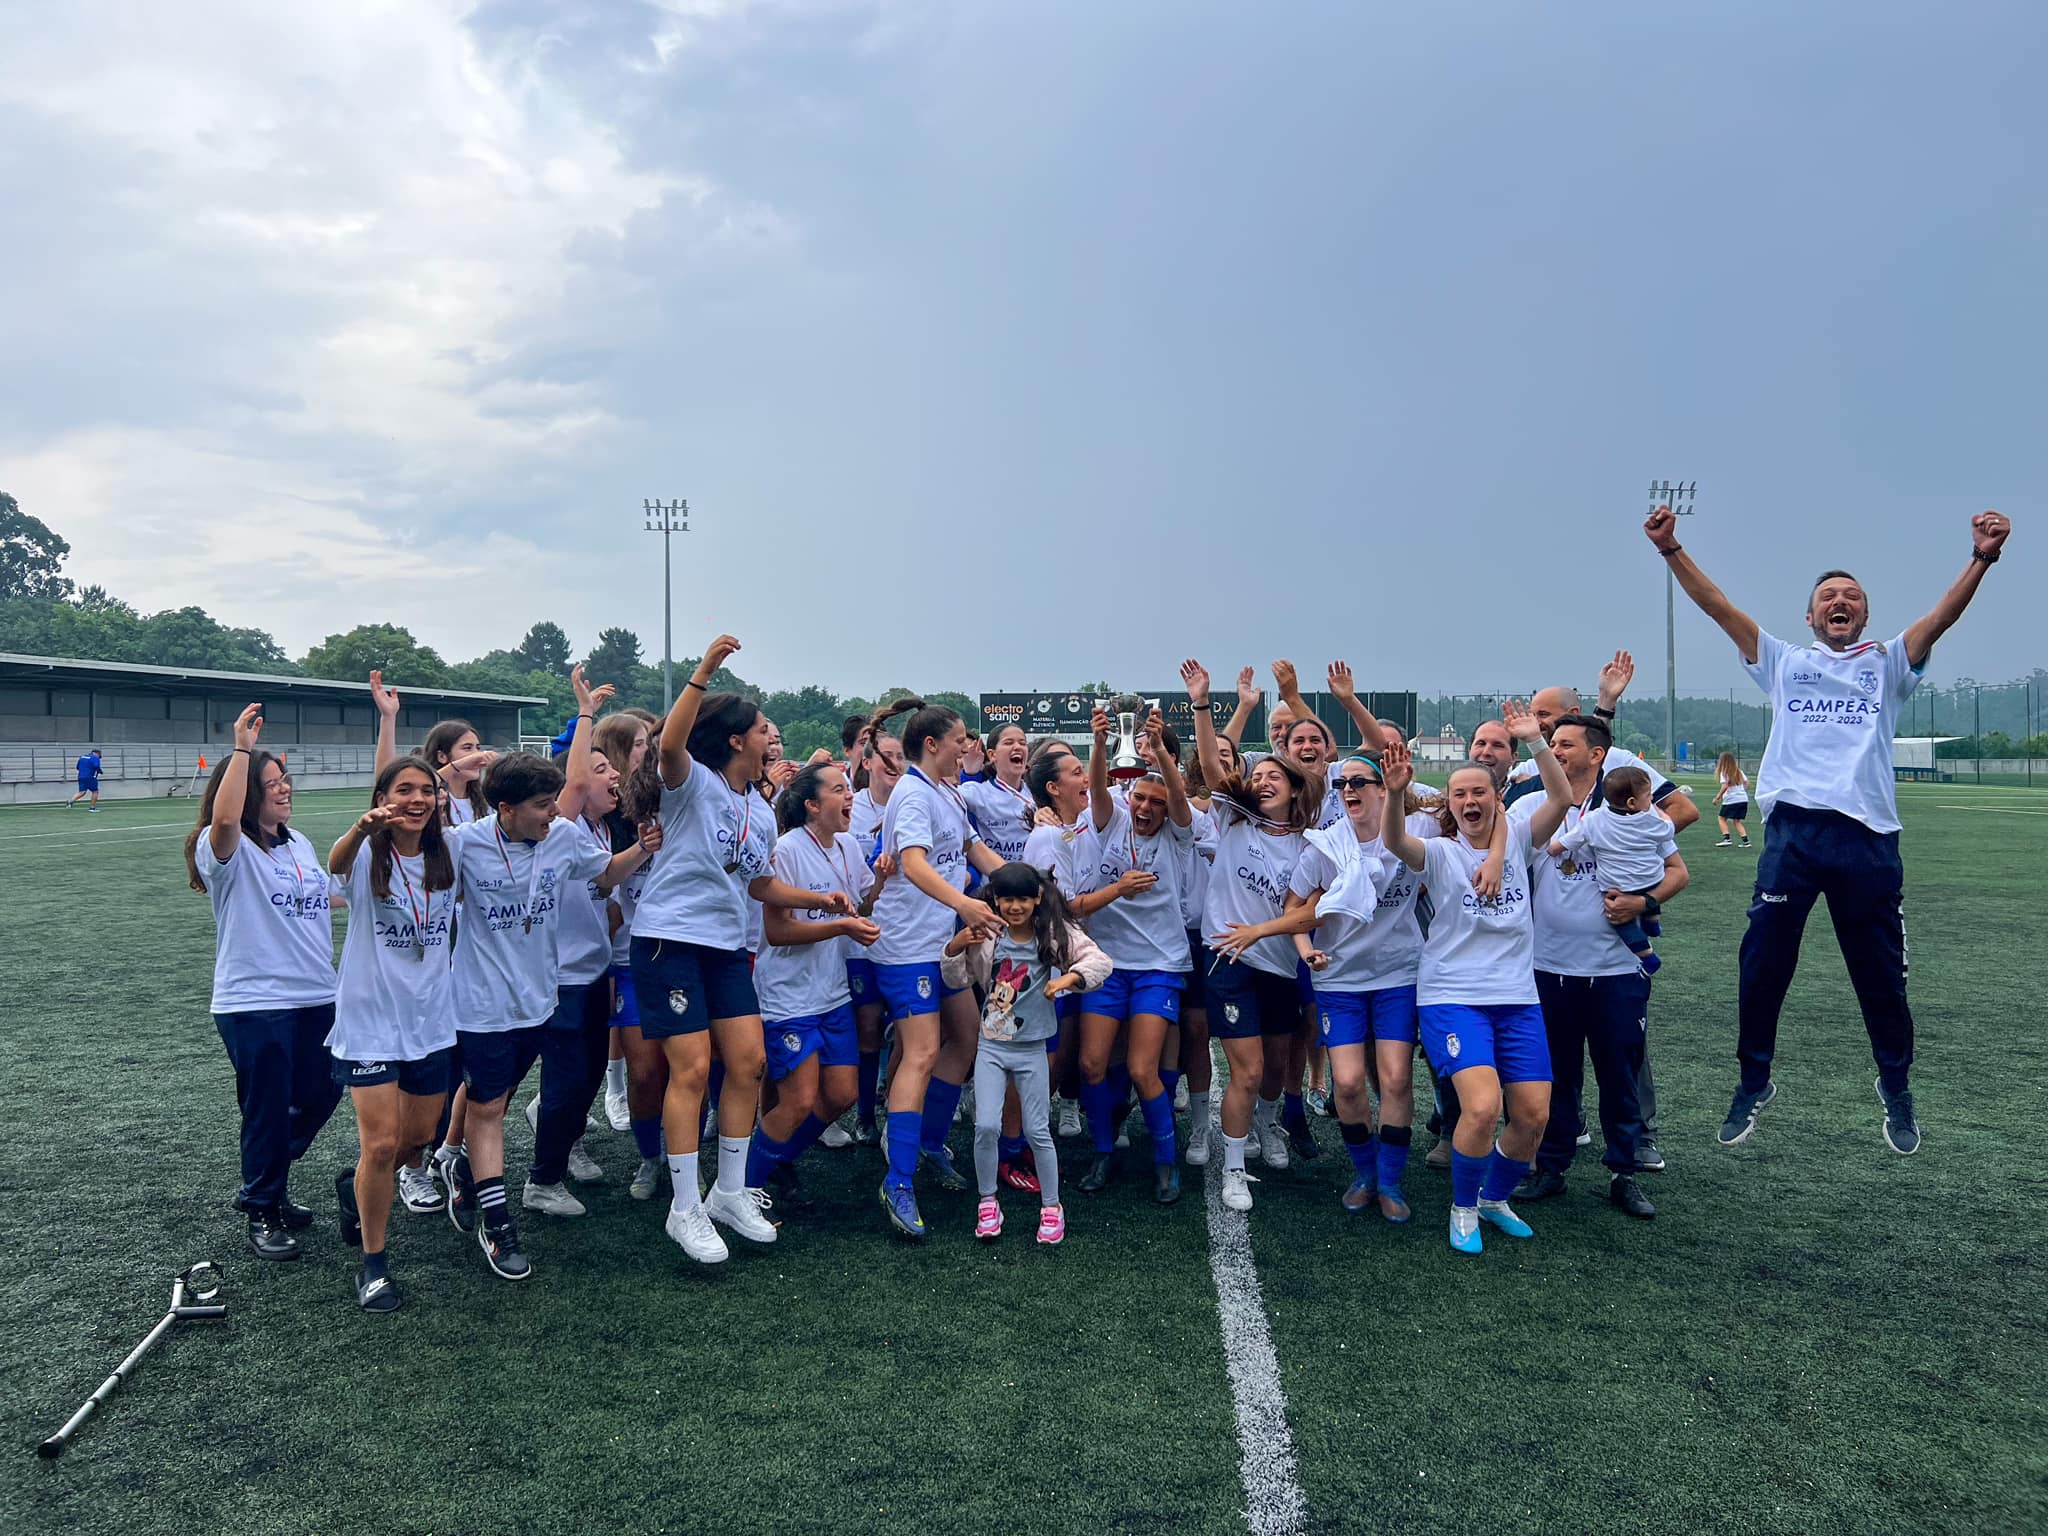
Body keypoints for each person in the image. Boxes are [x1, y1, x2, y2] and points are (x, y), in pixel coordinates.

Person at [1646, 502, 2013, 1154]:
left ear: (1864, 616)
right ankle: (1753, 1079)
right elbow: (1716, 605)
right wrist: (1671, 549)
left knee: (1879, 977)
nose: (1839, 601)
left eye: (1851, 597)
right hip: (1793, 838)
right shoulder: (1784, 662)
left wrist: (1981, 557)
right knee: (1761, 963)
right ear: (1810, 617)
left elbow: (1943, 617)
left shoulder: (1890, 662)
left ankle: (1896, 1087)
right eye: (1827, 597)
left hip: (1867, 840)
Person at [629, 635, 857, 1262]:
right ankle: (684, 1207)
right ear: (737, 740)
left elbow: (758, 884)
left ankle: (729, 1192)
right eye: (762, 729)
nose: (770, 737)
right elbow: (670, 743)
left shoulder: (759, 808)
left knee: (749, 1063)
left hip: (727, 947)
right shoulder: (692, 782)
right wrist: (704, 670)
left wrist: (820, 899)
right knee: (693, 1070)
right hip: (669, 942)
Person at [437, 688, 639, 1282]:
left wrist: (639, 852)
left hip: (540, 1000)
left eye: (554, 804)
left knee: (492, 1099)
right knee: (491, 1106)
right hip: (481, 1003)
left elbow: (602, 874)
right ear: (502, 807)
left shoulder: (565, 837)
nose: (554, 814)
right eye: (541, 807)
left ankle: (455, 1164)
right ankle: (498, 1225)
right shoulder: (463, 846)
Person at [1237, 751, 1463, 1221]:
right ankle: (1363, 1174)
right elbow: (1294, 907)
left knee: (1398, 1078)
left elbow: (1472, 820)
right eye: (1343, 784)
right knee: (1346, 1082)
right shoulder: (1324, 847)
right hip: (1338, 979)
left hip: (1398, 976)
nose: (1350, 790)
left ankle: (1391, 1181)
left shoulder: (1417, 832)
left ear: (1385, 788)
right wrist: (1305, 950)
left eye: (1361, 782)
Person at [1379, 705, 1572, 1255]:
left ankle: (1494, 1199)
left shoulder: (1520, 844)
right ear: (1449, 805)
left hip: (1517, 999)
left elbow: (1559, 799)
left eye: (1479, 793)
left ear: (1496, 799)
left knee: (1533, 1114)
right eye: (1458, 794)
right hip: (1453, 998)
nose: (1468, 801)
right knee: (1482, 1107)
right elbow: (1396, 842)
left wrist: (1536, 740)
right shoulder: (1439, 854)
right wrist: (1394, 793)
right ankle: (1463, 1209)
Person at [1507, 714, 1688, 1221]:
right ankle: (1551, 1167)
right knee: (1556, 1075)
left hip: (1615, 971)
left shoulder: (1639, 814)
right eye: (1553, 744)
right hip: (1547, 967)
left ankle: (1623, 1173)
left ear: (1597, 754)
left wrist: (1642, 903)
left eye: (1567, 744)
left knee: (1619, 1075)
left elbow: (1678, 873)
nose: (1557, 751)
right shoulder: (1527, 805)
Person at [184, 704, 340, 1262]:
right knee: (268, 1105)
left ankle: (268, 1169)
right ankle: (263, 1205)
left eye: (285, 780)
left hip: (318, 994)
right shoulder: (224, 847)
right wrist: (243, 749)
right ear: (248, 792)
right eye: (271, 784)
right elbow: (225, 822)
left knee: (327, 1088)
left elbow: (328, 896)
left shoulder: (297, 845)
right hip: (255, 1001)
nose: (284, 790)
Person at [1184, 658, 1323, 1213]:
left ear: (1293, 790)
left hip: (1278, 965)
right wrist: (1202, 703)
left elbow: (1310, 915)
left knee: (1276, 1066)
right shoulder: (1234, 820)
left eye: (1275, 777)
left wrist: (1263, 930)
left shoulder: (1313, 845)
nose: (1264, 781)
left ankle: (1270, 1125)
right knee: (1249, 1069)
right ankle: (1235, 1169)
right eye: (1258, 775)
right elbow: (1213, 767)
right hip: (1227, 959)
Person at [522, 680, 662, 1222]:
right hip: (557, 977)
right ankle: (539, 1179)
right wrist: (585, 715)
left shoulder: (600, 831)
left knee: (577, 1079)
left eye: (612, 770)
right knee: (563, 1079)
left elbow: (604, 883)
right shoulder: (566, 824)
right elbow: (578, 780)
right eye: (602, 772)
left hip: (589, 971)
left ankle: (551, 1157)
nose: (610, 779)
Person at [866, 703, 1006, 1238]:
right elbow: (915, 863)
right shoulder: (913, 793)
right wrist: (966, 904)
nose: (968, 748)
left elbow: (974, 848)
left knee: (967, 1038)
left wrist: (1029, 882)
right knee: (921, 1052)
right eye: (961, 740)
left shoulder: (947, 790)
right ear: (932, 744)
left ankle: (926, 1143)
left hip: (940, 944)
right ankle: (897, 1178)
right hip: (906, 945)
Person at [325, 752, 457, 1311]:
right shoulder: (366, 857)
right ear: (383, 798)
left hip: (431, 1020)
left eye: (426, 790)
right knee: (379, 1144)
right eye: (404, 789)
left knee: (416, 1140)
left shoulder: (450, 857)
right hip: (371, 1020)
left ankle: (356, 1190)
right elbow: (335, 861)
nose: (417, 799)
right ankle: (373, 1265)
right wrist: (362, 826)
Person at [945, 862, 1112, 1245]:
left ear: (1038, 898)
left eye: (1023, 898)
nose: (1015, 907)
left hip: (1033, 1047)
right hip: (990, 1045)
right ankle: (988, 1202)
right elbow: (956, 978)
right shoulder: (986, 934)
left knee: (1038, 1131)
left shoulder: (1052, 931)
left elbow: (1100, 962)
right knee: (986, 1125)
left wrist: (1068, 979)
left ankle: (1052, 1207)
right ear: (995, 900)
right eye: (1007, 899)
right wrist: (956, 946)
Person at [745, 762, 887, 1206]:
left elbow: (860, 900)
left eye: (848, 788)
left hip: (831, 991)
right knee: (800, 1099)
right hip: (789, 994)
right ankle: (743, 1187)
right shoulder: (786, 850)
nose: (849, 796)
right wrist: (841, 927)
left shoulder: (846, 844)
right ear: (811, 805)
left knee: (841, 1094)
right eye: (838, 789)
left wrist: (882, 876)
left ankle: (778, 1157)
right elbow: (778, 932)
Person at [1075, 705, 1196, 1203]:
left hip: (1159, 966)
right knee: (1091, 1065)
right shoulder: (1111, 821)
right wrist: (1101, 743)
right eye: (1140, 799)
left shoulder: (1178, 833)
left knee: (1145, 1069)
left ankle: (1165, 1162)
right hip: (1107, 964)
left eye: (1156, 803)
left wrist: (1163, 754)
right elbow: (1099, 789)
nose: (1146, 809)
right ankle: (1104, 1151)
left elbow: (1181, 800)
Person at [1547, 766, 1676, 974]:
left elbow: (1568, 841)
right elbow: (1668, 829)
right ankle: (1653, 922)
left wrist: (1553, 848)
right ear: (1632, 803)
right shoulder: (1650, 820)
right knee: (1651, 893)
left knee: (1620, 921)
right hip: (1651, 878)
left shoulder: (1594, 820)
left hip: (1618, 886)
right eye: (1648, 796)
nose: (1650, 800)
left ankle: (1647, 955)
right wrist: (1660, 812)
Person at [963, 723, 1037, 865]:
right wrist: (970, 772)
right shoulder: (978, 793)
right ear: (992, 755)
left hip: (1031, 881)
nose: (1017, 747)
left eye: (1022, 743)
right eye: (1008, 743)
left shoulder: (1037, 794)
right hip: (994, 881)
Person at [421, 719, 495, 825]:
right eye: (467, 748)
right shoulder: (436, 798)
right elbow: (424, 785)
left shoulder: (486, 799)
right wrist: (457, 765)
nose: (478, 755)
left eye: (478, 748)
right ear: (442, 756)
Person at [1712, 752, 1753, 849]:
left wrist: (1717, 797)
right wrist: (1742, 792)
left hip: (1732, 799)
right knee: (1736, 821)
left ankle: (1727, 839)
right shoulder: (1739, 771)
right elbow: (1747, 784)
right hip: (1743, 799)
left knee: (1721, 818)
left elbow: (1725, 785)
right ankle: (1746, 841)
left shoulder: (1724, 772)